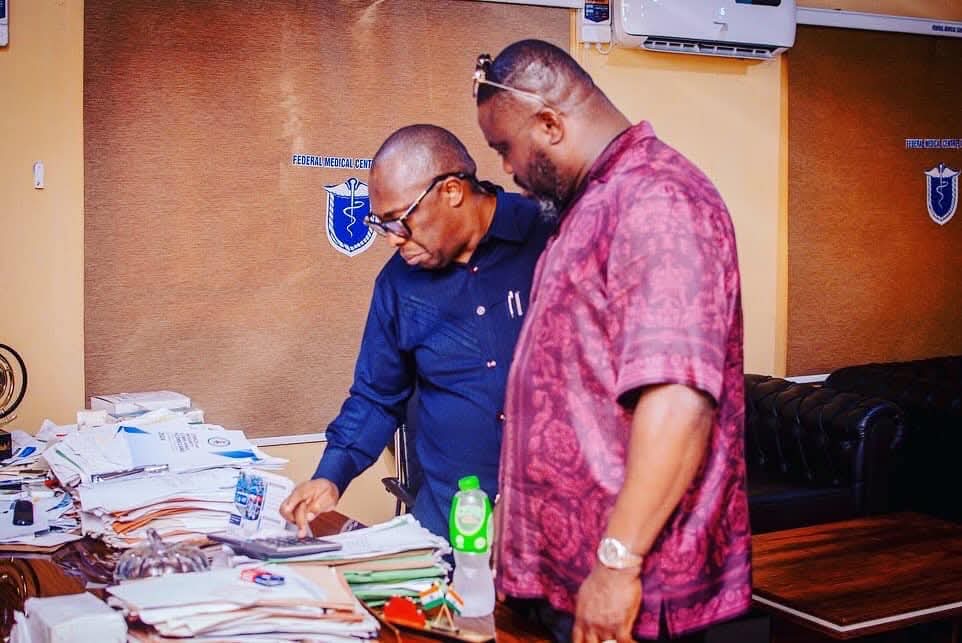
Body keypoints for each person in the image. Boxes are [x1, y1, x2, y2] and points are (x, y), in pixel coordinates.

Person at [473, 41, 750, 642]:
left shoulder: (658, 199)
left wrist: (618, 563)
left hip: (628, 590)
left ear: (549, 124)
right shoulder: (591, 203)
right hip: (566, 579)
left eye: (504, 148)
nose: (507, 169)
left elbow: (678, 401)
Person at [279, 124, 554, 540]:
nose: (393, 240)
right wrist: (331, 475)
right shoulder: (398, 286)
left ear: (452, 191)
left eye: (399, 221)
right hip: (452, 526)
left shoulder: (548, 235)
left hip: (556, 523)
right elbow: (376, 396)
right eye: (383, 225)